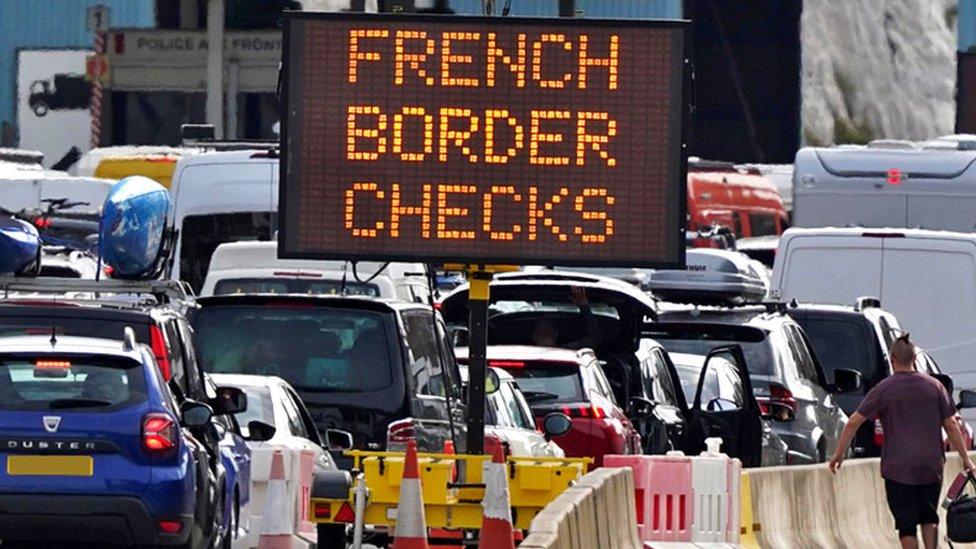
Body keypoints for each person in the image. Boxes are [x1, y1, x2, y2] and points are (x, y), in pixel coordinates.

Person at [829, 333, 976, 549]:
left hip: (898, 467)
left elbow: (854, 421)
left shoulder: (884, 389)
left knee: (906, 525)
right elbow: (951, 425)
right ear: (915, 358)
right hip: (930, 465)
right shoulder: (935, 387)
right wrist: (965, 459)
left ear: (892, 358)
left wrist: (839, 453)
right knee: (929, 516)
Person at [531, 287, 602, 349]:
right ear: (534, 337)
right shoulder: (525, 353)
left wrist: (584, 306)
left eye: (548, 333)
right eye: (541, 334)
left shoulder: (569, 351)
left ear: (556, 335)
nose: (545, 337)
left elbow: (593, 338)